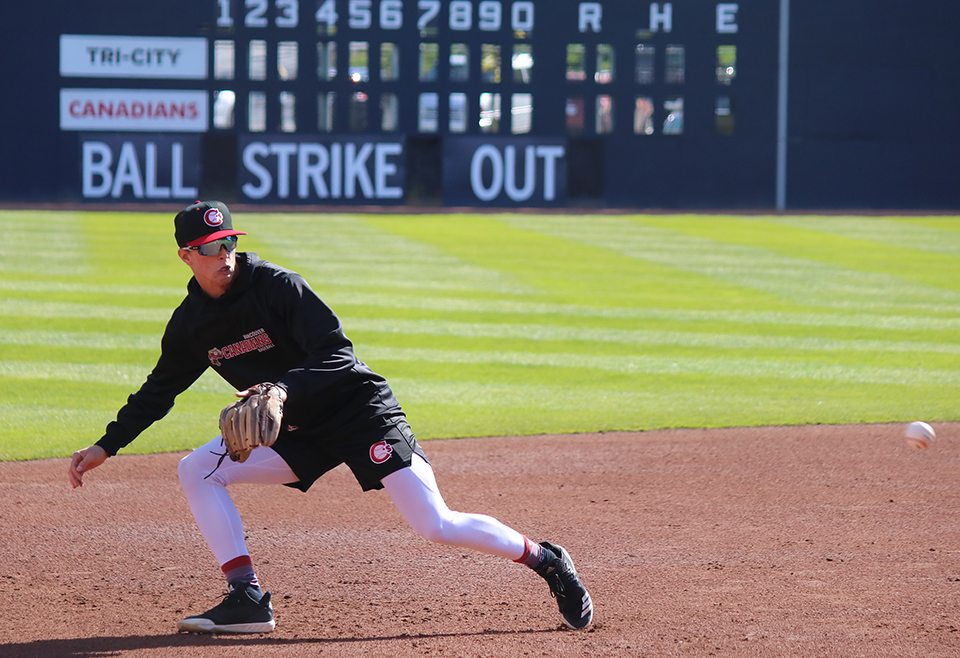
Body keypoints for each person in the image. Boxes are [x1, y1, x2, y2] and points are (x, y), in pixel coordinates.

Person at [68, 200, 593, 635]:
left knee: (434, 524)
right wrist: (105, 446)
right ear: (186, 255)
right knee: (197, 468)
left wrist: (281, 387)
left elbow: (337, 354)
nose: (224, 254)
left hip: (359, 412)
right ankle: (246, 597)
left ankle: (548, 560)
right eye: (210, 248)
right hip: (299, 433)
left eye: (229, 242)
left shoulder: (278, 286)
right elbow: (160, 389)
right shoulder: (191, 325)